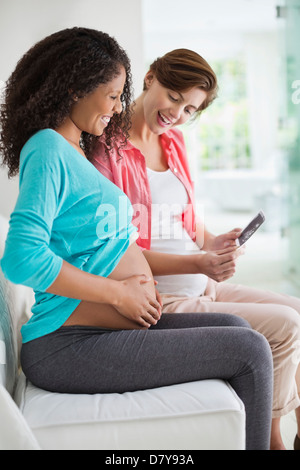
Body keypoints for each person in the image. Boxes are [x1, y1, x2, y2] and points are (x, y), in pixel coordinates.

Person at [0, 29, 273, 451]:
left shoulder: (75, 150)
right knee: (250, 350)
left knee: (236, 326)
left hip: (95, 334)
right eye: (111, 96)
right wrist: (117, 294)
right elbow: (21, 257)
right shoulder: (48, 148)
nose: (116, 107)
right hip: (67, 345)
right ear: (75, 87)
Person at [92, 48, 300, 450]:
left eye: (190, 108)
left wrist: (214, 243)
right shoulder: (108, 148)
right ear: (151, 77)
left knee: (298, 311)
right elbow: (117, 249)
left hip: (202, 286)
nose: (178, 113)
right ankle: (274, 441)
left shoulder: (175, 144)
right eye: (174, 96)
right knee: (285, 326)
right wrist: (199, 261)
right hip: (161, 297)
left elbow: (185, 220)